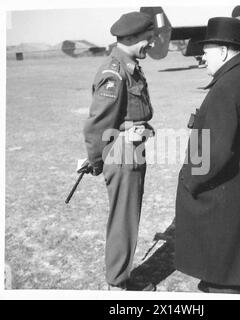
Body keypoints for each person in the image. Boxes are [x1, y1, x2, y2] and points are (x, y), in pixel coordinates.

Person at [175, 17, 240, 294]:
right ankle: (222, 278)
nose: (202, 57)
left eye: (205, 51)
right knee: (235, 237)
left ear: (222, 51)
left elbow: (215, 151)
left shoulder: (226, 87)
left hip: (220, 186)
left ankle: (221, 284)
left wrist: (190, 179)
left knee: (220, 240)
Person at [83, 11, 156, 291]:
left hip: (132, 150)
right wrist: (96, 160)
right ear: (132, 37)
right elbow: (98, 124)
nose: (151, 44)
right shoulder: (115, 71)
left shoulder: (130, 66)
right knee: (123, 220)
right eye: (147, 39)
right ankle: (118, 284)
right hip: (123, 153)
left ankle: (120, 277)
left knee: (127, 217)